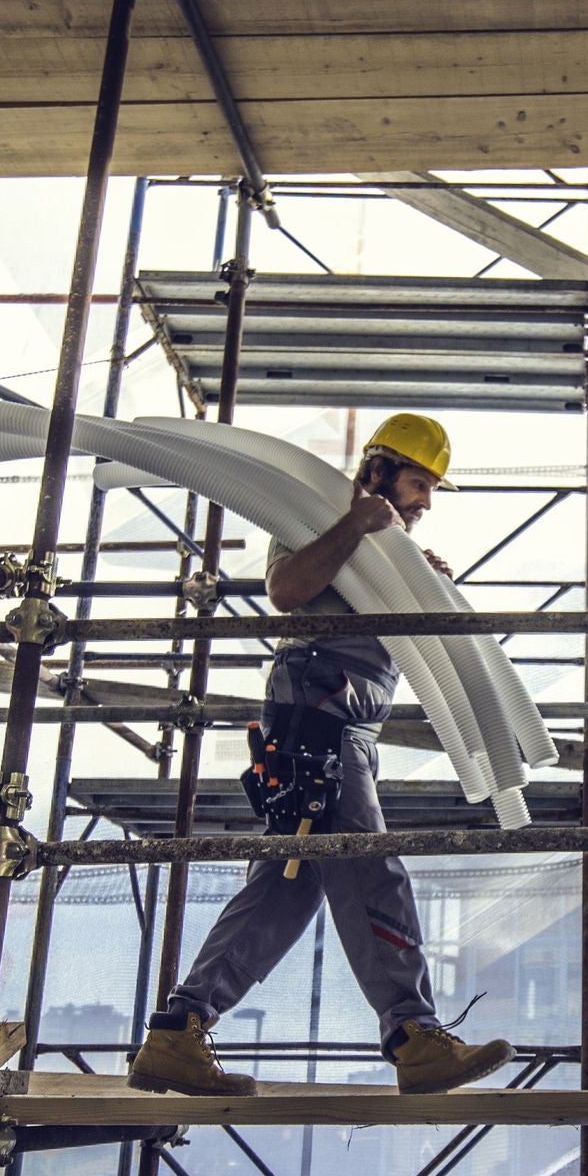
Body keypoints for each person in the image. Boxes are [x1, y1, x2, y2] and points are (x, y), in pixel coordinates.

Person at [128, 413, 516, 1097]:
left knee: (287, 885)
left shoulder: (380, 544)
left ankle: (177, 1030)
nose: (425, 500)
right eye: (419, 481)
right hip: (321, 710)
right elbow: (285, 592)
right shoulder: (318, 512)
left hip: (340, 719)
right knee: (369, 867)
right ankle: (412, 1033)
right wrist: (357, 531)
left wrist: (412, 580)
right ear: (378, 468)